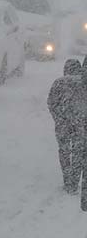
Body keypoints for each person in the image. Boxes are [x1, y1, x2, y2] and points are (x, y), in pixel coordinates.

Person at [47, 59, 86, 194]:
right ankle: (74, 182)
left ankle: (67, 178)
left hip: (63, 123)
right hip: (80, 124)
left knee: (64, 151)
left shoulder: (59, 82)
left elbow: (51, 103)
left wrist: (58, 118)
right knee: (78, 152)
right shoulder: (83, 83)